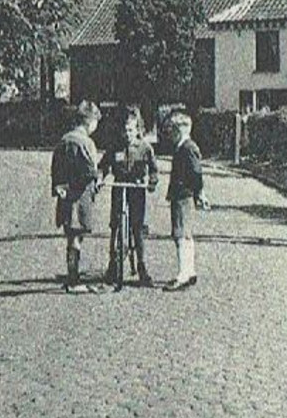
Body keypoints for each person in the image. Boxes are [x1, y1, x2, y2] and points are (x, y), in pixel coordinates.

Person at [50, 100, 104, 293]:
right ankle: (73, 280)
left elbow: (56, 167)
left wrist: (58, 186)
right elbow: (90, 170)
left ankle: (72, 274)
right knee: (76, 238)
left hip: (65, 195)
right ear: (90, 122)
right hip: (80, 196)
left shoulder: (64, 140)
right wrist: (96, 180)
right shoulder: (86, 142)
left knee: (70, 236)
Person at [105, 106, 158, 289]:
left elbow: (153, 169)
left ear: (137, 130)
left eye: (130, 130)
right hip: (119, 187)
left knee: (138, 227)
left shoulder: (145, 148)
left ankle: (142, 266)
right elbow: (103, 166)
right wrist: (99, 178)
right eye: (124, 130)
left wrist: (152, 181)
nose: (127, 134)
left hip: (136, 188)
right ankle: (113, 265)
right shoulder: (114, 147)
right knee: (115, 226)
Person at [164, 109, 209, 290]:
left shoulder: (188, 148)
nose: (169, 135)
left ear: (179, 130)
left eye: (171, 130)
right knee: (185, 235)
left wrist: (199, 192)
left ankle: (183, 274)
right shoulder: (184, 147)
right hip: (183, 195)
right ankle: (190, 271)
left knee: (180, 235)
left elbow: (196, 173)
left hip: (183, 196)